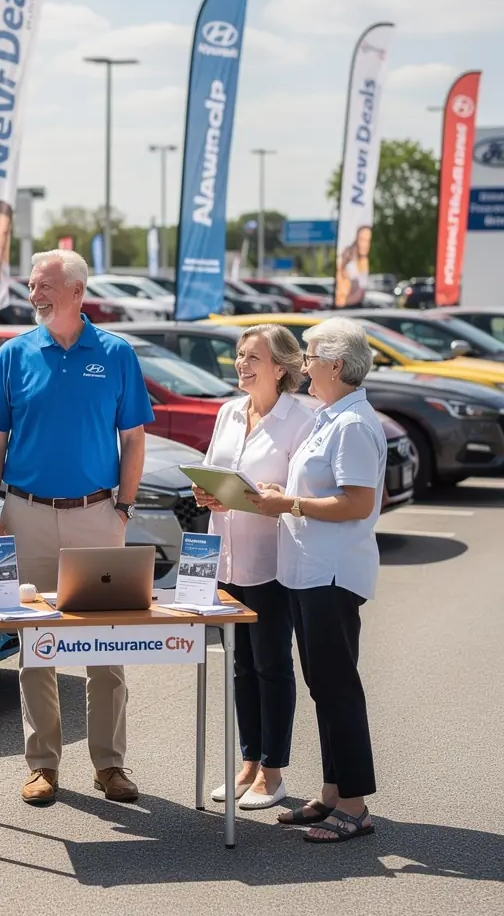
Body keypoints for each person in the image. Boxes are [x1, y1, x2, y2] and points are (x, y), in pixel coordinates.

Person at [0, 248, 155, 805]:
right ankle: (43, 764)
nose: (34, 296)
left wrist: (122, 508)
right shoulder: (14, 354)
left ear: (77, 291)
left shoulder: (117, 353)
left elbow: (134, 439)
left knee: (106, 643)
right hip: (25, 514)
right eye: (31, 287)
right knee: (36, 644)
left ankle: (109, 765)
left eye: (43, 286)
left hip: (98, 516)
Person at [247, 316, 386, 843]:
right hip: (309, 572)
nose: (303, 365)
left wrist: (289, 502)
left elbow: (357, 501)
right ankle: (333, 792)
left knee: (337, 688)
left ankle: (354, 805)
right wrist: (278, 494)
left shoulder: (351, 423)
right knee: (323, 687)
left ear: (334, 364)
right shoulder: (332, 415)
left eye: (308, 356)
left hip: (331, 573)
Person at [192, 325, 315, 811]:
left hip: (271, 562)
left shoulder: (299, 420)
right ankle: (248, 762)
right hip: (225, 559)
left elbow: (298, 492)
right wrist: (204, 492)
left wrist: (270, 498)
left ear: (280, 368)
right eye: (240, 356)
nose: (241, 364)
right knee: (241, 665)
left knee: (271, 665)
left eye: (253, 358)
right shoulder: (228, 411)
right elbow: (211, 470)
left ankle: (274, 773)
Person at [335, 225, 371, 307]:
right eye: (362, 239)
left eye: (367, 240)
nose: (365, 244)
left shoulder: (363, 263)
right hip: (347, 306)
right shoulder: (347, 265)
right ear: (357, 240)